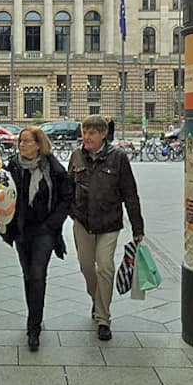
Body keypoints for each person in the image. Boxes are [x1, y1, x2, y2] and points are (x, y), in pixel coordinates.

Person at [68, 115, 144, 341]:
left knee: (105, 268)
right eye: (84, 132)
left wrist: (138, 228)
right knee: (86, 267)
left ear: (103, 134)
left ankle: (103, 318)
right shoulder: (76, 155)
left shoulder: (118, 157)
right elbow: (67, 187)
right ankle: (96, 298)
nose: (87, 137)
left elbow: (130, 193)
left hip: (109, 223)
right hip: (82, 221)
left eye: (92, 133)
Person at [2, 126, 73, 350]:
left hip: (44, 231)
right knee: (27, 275)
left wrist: (53, 225)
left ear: (39, 145)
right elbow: (0, 194)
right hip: (22, 230)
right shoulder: (12, 166)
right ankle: (35, 313)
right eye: (20, 141)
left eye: (26, 141)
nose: (21, 145)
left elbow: (66, 198)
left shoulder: (53, 167)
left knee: (37, 274)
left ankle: (34, 327)